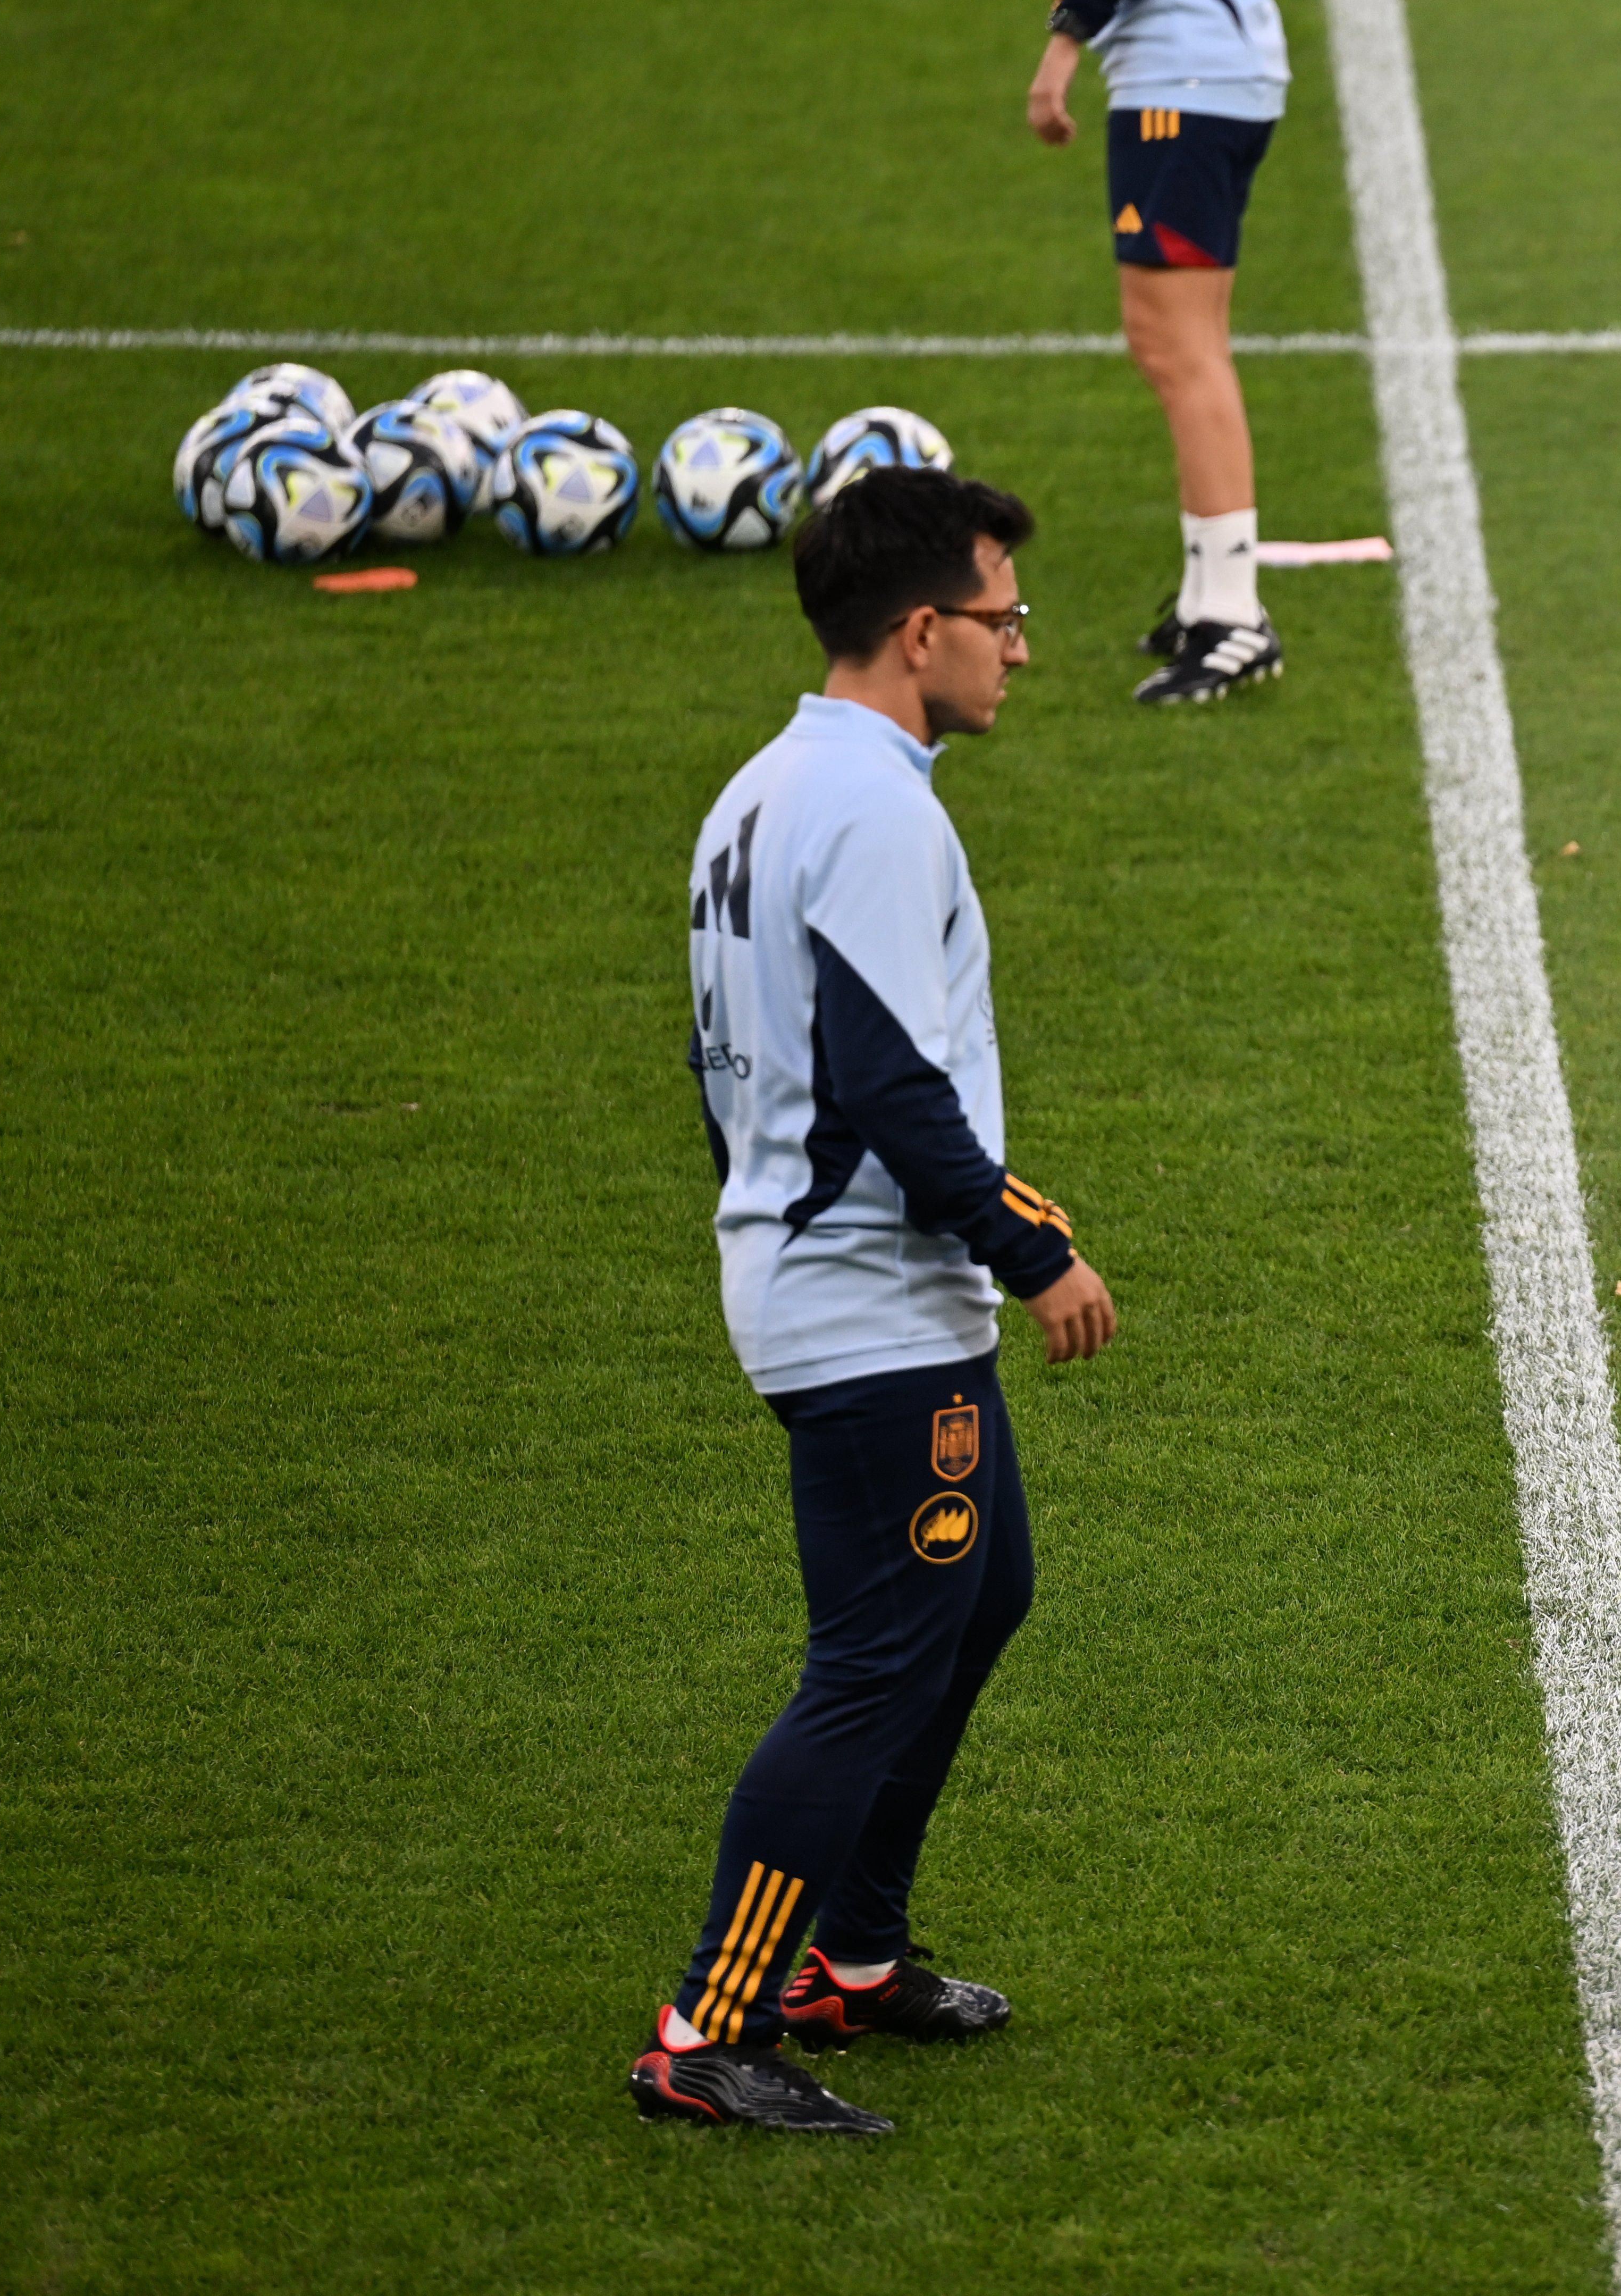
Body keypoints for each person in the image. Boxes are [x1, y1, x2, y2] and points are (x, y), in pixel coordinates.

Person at [630, 468, 1121, 2135]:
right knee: (872, 1660)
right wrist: (1026, 1242)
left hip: (822, 1272)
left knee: (982, 1599)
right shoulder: (878, 811)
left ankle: (853, 1950)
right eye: (1003, 619)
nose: (1020, 653)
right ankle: (713, 2022)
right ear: (921, 633)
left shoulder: (766, 790)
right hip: (868, 1307)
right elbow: (889, 1082)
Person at [1029, 0, 1294, 708]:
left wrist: (1065, 41)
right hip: (1225, 72)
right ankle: (1206, 597)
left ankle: (1232, 618)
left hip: (1183, 80)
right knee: (1191, 347)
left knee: (1174, 349)